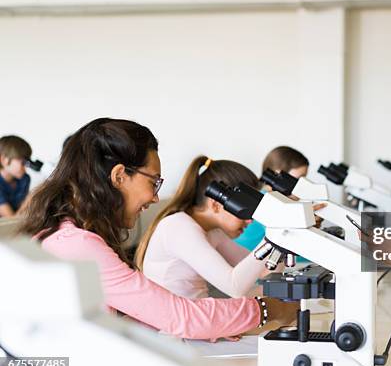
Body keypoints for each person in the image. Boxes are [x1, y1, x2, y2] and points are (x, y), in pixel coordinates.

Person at [18, 118, 297, 341]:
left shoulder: (67, 234)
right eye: (154, 183)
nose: (154, 198)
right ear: (119, 176)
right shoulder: (77, 244)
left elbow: (130, 317)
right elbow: (181, 314)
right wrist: (270, 310)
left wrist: (207, 325)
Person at [134, 156, 269, 299]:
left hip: (195, 314)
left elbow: (264, 271)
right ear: (216, 204)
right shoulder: (179, 227)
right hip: (171, 319)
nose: (250, 220)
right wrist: (271, 240)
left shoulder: (213, 232)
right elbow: (234, 287)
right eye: (244, 211)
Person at [235, 146, 310, 251]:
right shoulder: (266, 202)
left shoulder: (270, 197)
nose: (304, 185)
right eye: (299, 178)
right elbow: (291, 245)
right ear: (279, 175)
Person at [0, 135, 32, 217]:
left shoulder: (24, 179)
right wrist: (29, 200)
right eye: (23, 163)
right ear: (4, 160)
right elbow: (11, 221)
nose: (25, 168)